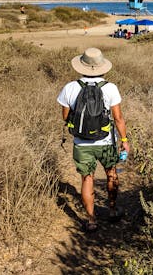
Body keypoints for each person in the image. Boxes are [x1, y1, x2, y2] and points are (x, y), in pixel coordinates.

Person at [57, 48, 130, 232]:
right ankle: (113, 211)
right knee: (111, 173)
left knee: (87, 178)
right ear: (102, 67)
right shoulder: (110, 87)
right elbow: (118, 118)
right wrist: (124, 139)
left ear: (81, 66)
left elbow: (65, 117)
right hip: (106, 142)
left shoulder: (70, 87)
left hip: (82, 143)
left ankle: (91, 221)